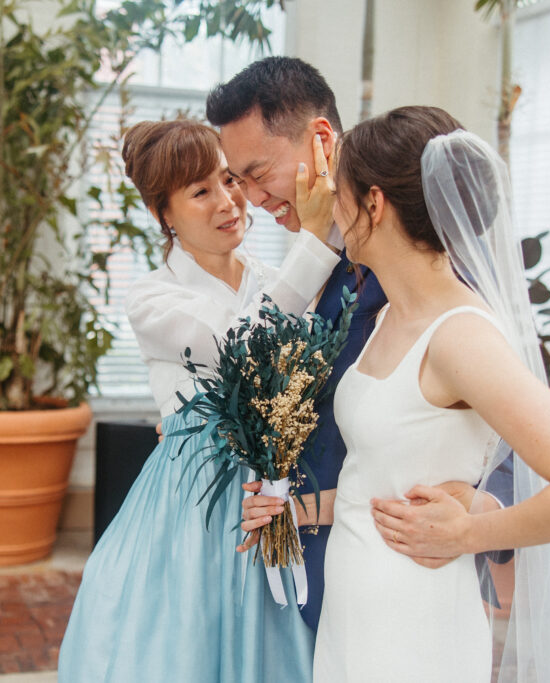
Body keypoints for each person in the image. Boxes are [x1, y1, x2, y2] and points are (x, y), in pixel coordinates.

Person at [260, 105, 550, 681]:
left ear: (375, 205)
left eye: (342, 194)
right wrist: (288, 510)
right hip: (354, 612)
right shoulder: (389, 316)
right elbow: (378, 480)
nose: (331, 207)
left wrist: (472, 531)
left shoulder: (460, 336)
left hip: (415, 623)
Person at [206, 56, 512, 634]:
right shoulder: (311, 251)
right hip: (303, 550)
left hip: (399, 559)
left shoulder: (432, 249)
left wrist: (478, 515)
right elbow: (255, 375)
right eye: (236, 180)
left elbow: (511, 413)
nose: (247, 197)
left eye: (256, 172)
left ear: (320, 138)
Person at [57, 119, 340, 682]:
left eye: (229, 180)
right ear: (165, 214)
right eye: (201, 192)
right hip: (194, 504)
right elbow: (248, 349)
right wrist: (313, 243)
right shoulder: (153, 297)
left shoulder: (270, 277)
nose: (229, 202)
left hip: (275, 494)